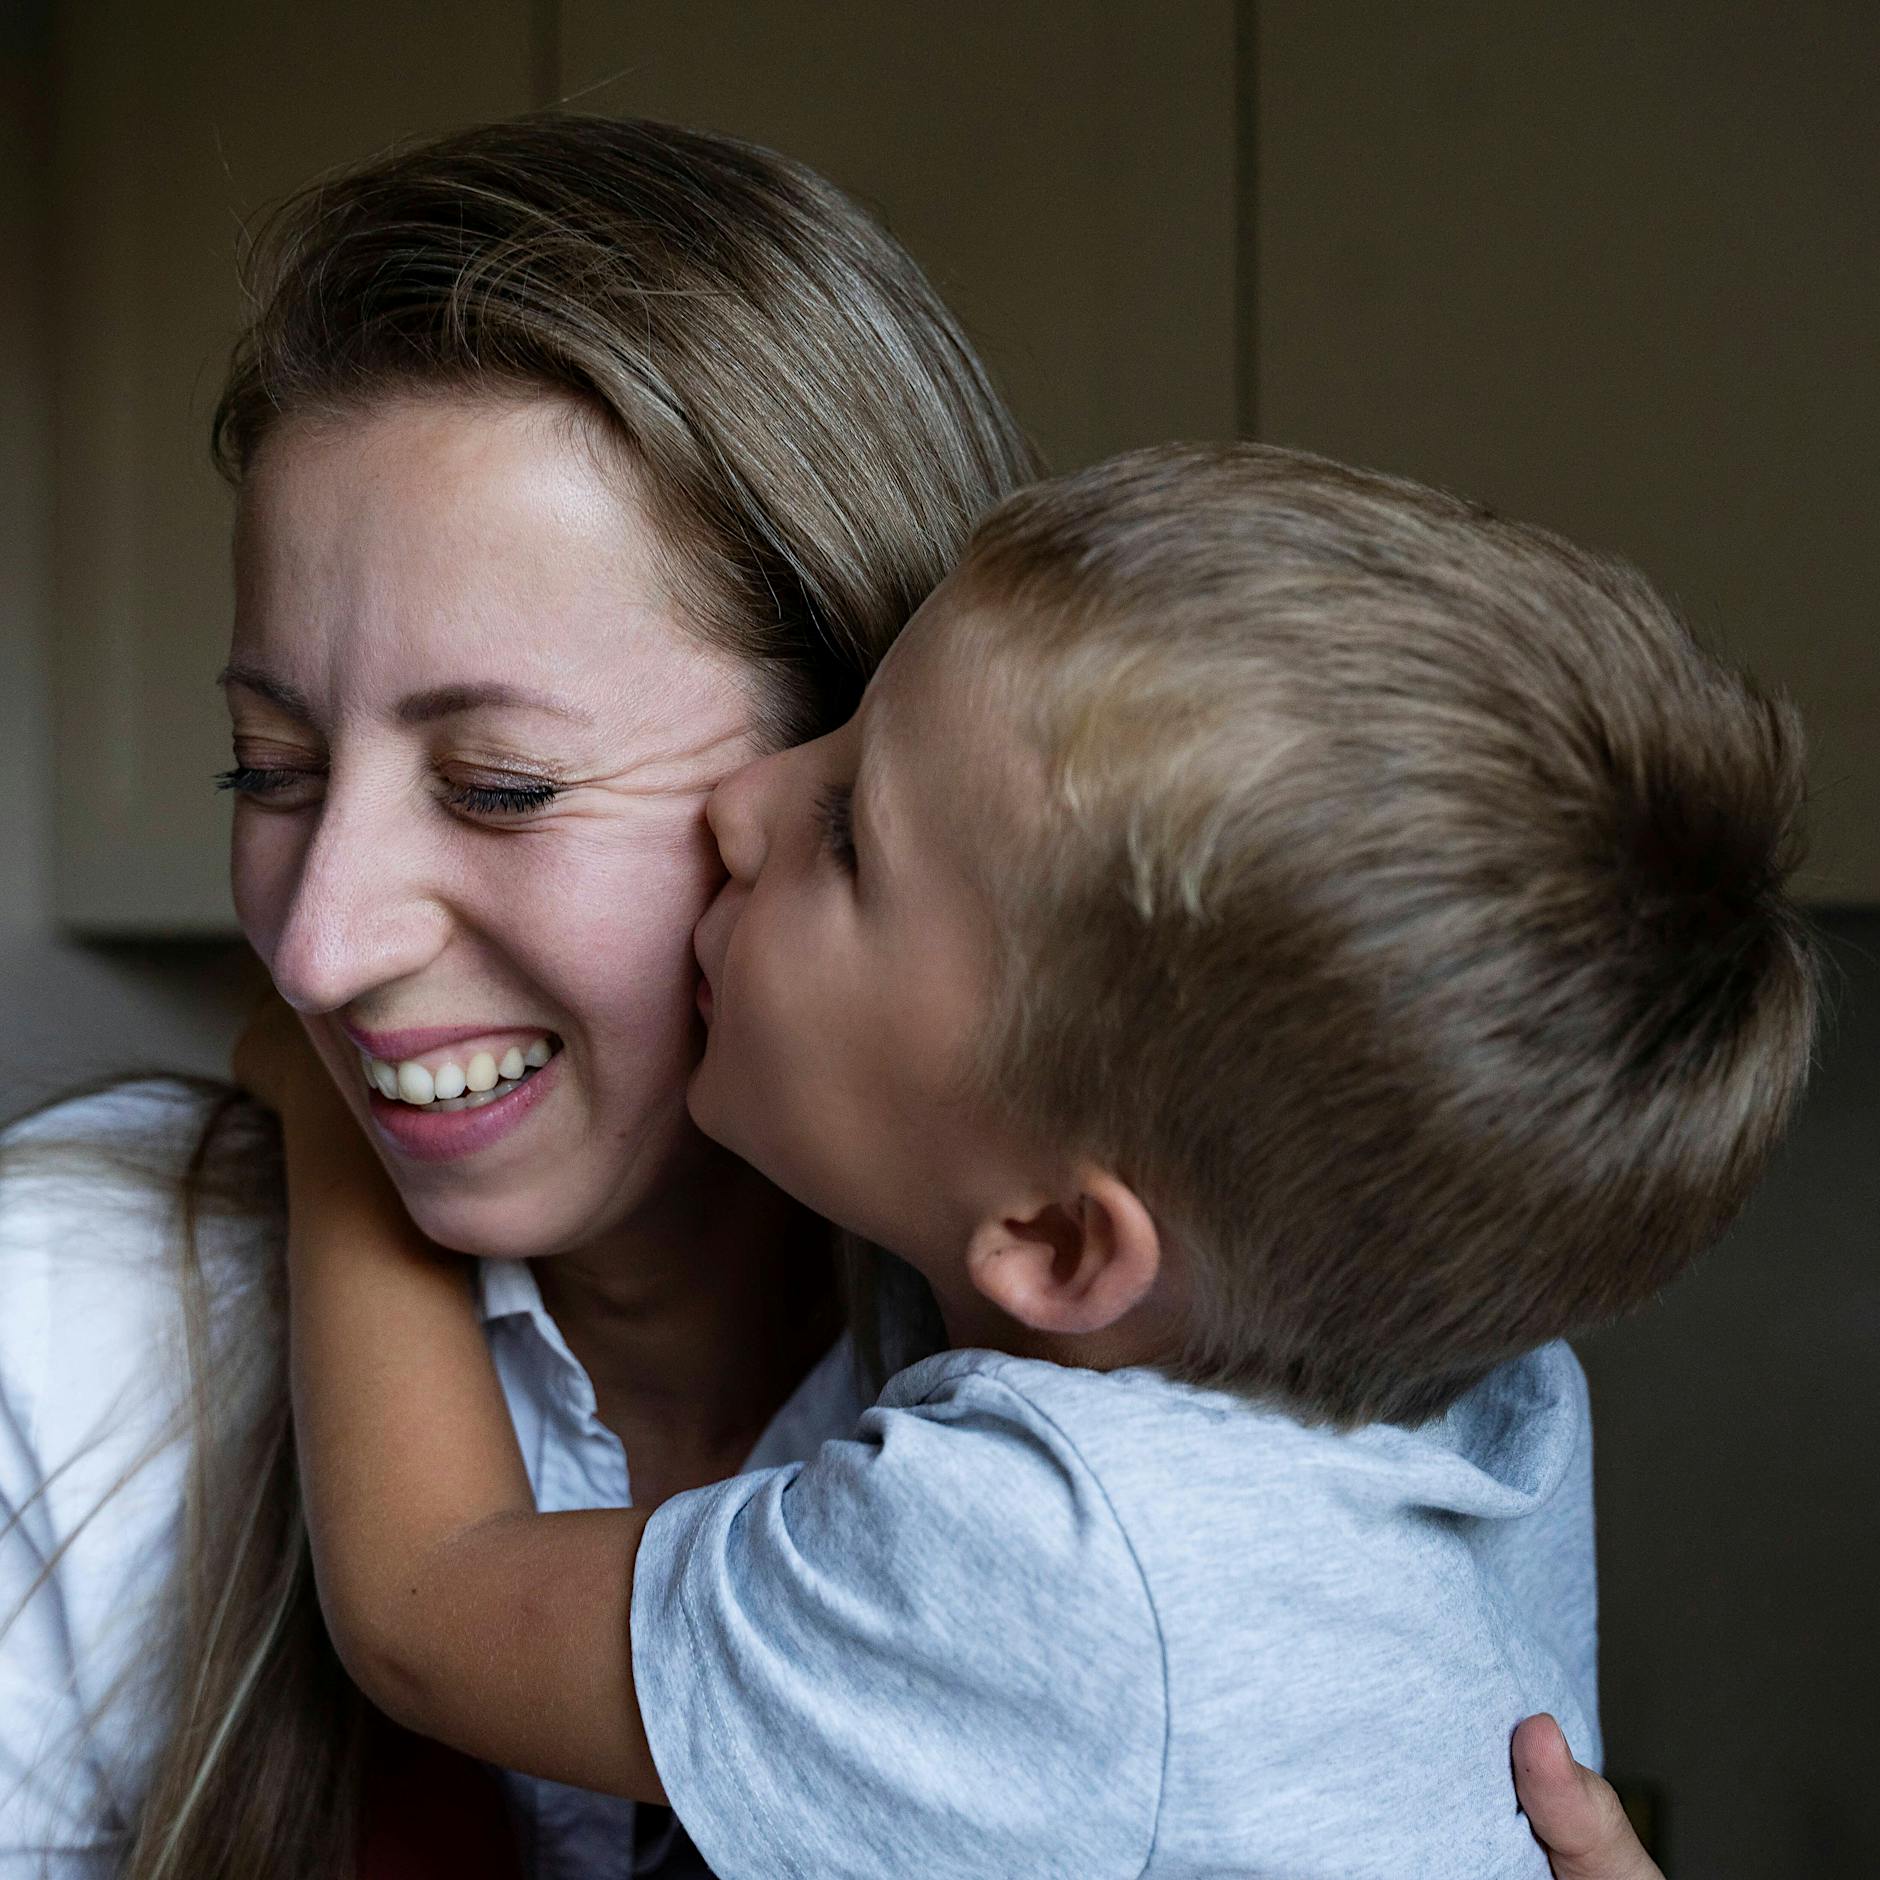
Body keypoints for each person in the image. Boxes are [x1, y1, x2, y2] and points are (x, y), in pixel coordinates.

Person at [251, 445, 1812, 1874]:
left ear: (1064, 1243)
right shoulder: (1496, 1393)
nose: (740, 805)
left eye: (853, 834)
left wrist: (329, 1105)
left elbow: (422, 1608)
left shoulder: (1048, 1571)